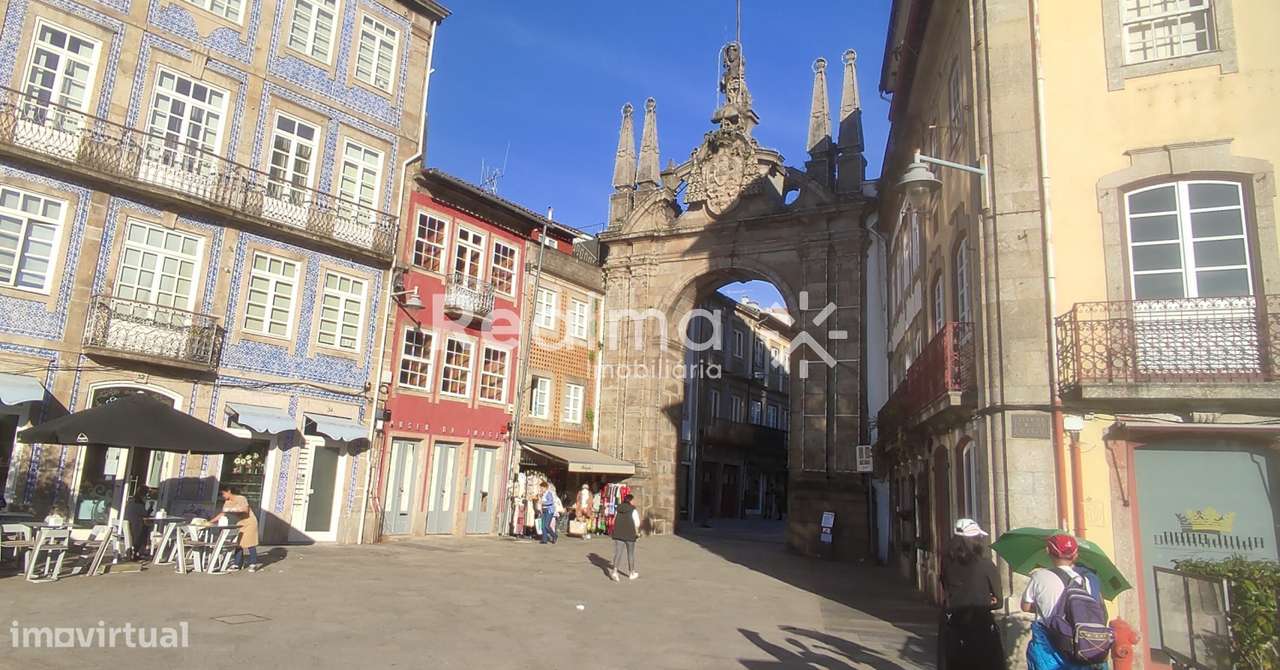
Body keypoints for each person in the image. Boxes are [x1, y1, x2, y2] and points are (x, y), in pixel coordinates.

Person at [1021, 534, 1102, 670]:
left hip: (1047, 645)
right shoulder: (1085, 580)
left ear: (1048, 551)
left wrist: (1044, 605)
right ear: (1075, 554)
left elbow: (1025, 606)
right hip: (1077, 644)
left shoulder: (1039, 576)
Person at [938, 519, 1006, 670]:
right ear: (977, 541)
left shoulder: (947, 563)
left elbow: (946, 588)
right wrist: (988, 599)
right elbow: (999, 601)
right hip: (980, 626)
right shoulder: (986, 565)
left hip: (954, 624)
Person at [210, 486, 261, 572]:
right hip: (240, 522)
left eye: (223, 493)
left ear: (229, 491)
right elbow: (222, 514)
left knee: (250, 542)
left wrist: (233, 509)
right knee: (238, 542)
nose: (222, 496)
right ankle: (237, 564)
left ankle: (253, 563)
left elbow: (245, 510)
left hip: (250, 521)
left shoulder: (241, 498)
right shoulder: (227, 502)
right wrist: (211, 521)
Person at [609, 493, 641, 582]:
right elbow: (637, 523)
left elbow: (615, 519)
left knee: (618, 552)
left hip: (619, 533)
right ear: (630, 501)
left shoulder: (618, 508)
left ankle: (615, 572)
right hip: (630, 534)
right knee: (630, 553)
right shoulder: (633, 510)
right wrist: (637, 532)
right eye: (633, 500)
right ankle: (631, 573)